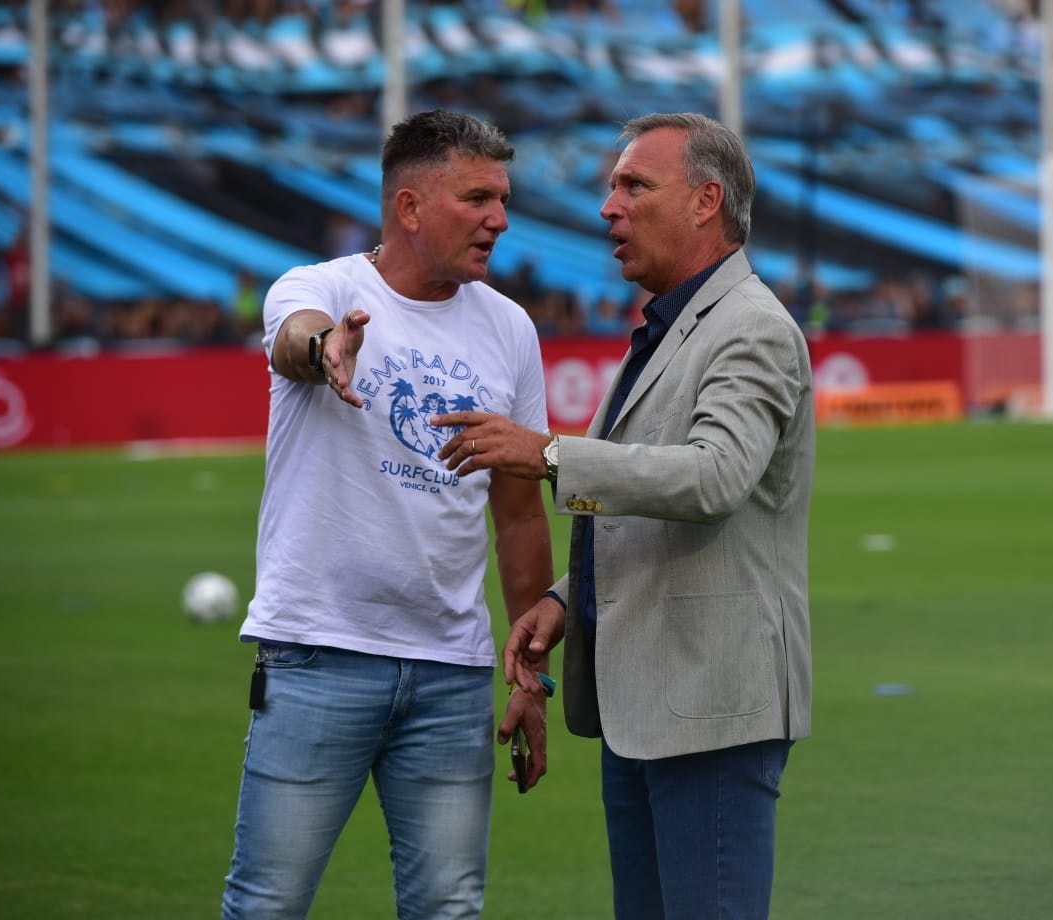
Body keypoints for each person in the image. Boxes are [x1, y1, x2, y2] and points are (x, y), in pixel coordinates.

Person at [430, 111, 815, 919]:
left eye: (634, 185)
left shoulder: (751, 329)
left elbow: (715, 480)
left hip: (711, 708)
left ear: (707, 201)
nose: (609, 206)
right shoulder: (669, 326)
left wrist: (550, 455)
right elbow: (650, 507)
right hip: (643, 705)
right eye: (612, 186)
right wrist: (565, 600)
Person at [220, 110, 556, 920]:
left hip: (451, 672)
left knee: (449, 909)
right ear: (409, 207)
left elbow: (517, 514)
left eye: (503, 199)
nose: (500, 220)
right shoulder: (325, 290)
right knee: (267, 904)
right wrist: (323, 348)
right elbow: (293, 339)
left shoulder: (509, 327)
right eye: (477, 198)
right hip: (318, 655)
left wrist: (531, 679)